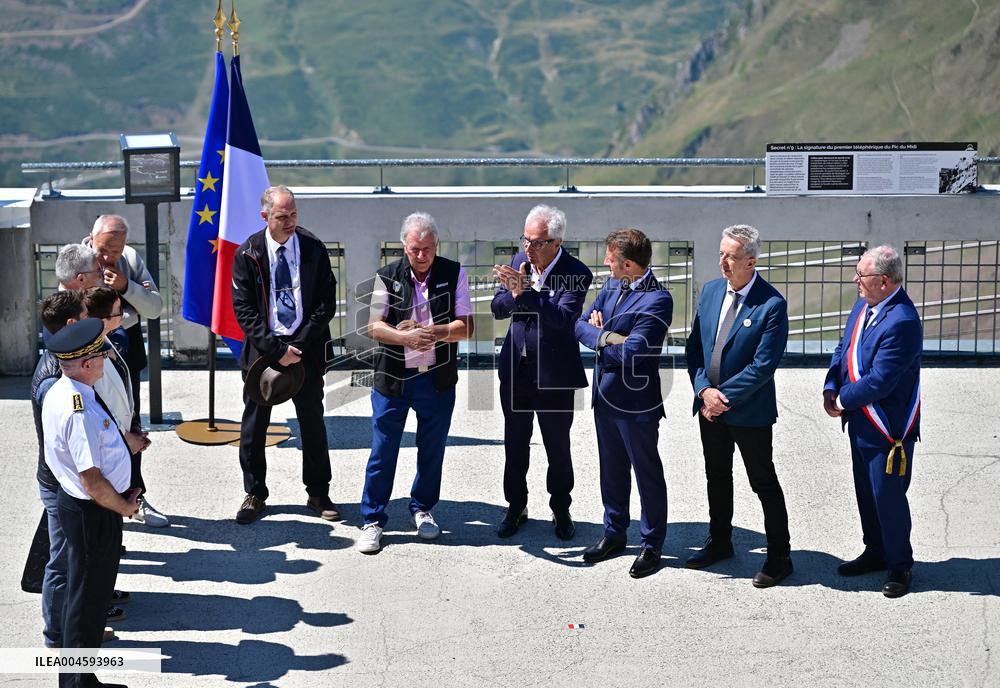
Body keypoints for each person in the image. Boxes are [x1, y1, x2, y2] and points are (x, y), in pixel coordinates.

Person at [357, 211, 474, 554]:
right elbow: (373, 327)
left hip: (435, 379)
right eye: (414, 249)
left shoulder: (454, 273)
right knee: (383, 449)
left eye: (427, 248)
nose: (421, 255)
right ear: (403, 247)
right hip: (393, 378)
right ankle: (373, 519)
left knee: (432, 448)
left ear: (436, 245)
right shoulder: (386, 276)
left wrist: (432, 333)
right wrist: (403, 337)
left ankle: (422, 508)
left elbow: (465, 327)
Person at [684, 224, 793, 588]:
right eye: (720, 254)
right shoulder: (712, 291)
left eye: (730, 256)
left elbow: (762, 366)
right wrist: (703, 392)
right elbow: (694, 349)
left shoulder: (772, 305)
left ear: (751, 260)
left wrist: (721, 398)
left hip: (748, 412)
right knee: (717, 476)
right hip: (708, 407)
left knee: (762, 481)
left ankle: (779, 556)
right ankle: (720, 541)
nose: (723, 262)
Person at [231, 185, 339, 524]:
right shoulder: (248, 253)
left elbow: (326, 303)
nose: (289, 221)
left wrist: (300, 346)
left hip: (306, 348)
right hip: (264, 352)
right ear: (265, 216)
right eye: (282, 216)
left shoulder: (313, 248)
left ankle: (318, 492)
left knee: (312, 422)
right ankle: (254, 493)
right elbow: (243, 309)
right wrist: (276, 350)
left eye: (293, 214)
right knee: (254, 425)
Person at [42, 318, 139, 688]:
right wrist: (124, 507)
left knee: (84, 597)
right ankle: (79, 685)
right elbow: (92, 481)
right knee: (87, 601)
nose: (105, 359)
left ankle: (80, 680)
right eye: (101, 355)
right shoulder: (77, 407)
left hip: (85, 508)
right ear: (86, 363)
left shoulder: (68, 390)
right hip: (93, 512)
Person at [823, 245, 922, 598]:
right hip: (861, 421)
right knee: (866, 492)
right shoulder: (864, 305)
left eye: (861, 275)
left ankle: (900, 566)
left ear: (883, 280)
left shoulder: (903, 321)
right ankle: (875, 551)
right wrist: (830, 385)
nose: (855, 281)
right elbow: (843, 348)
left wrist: (841, 401)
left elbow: (881, 380)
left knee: (888, 497)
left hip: (888, 427)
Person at [491, 205, 593, 540]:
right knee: (515, 443)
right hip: (516, 370)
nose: (529, 248)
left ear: (556, 241)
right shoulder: (520, 262)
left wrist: (527, 293)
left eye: (537, 242)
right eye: (526, 239)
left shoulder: (576, 272)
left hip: (554, 374)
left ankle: (561, 509)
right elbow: (497, 308)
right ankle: (515, 506)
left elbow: (563, 319)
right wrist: (514, 292)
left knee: (557, 446)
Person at [575, 228, 672, 579]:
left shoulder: (658, 299)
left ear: (628, 263)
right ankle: (614, 534)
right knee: (611, 471)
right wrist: (607, 337)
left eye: (611, 259)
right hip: (605, 397)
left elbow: (635, 352)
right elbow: (579, 325)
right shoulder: (612, 285)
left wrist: (599, 337)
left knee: (646, 472)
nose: (605, 264)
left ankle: (651, 543)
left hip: (636, 403)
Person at [84, 214, 168, 527]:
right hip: (88, 355)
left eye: (115, 251)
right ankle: (101, 506)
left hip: (124, 353)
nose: (108, 258)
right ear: (90, 239)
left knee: (129, 426)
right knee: (94, 430)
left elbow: (155, 307)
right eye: (103, 250)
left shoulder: (130, 261)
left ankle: (135, 496)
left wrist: (126, 286)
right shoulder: (78, 260)